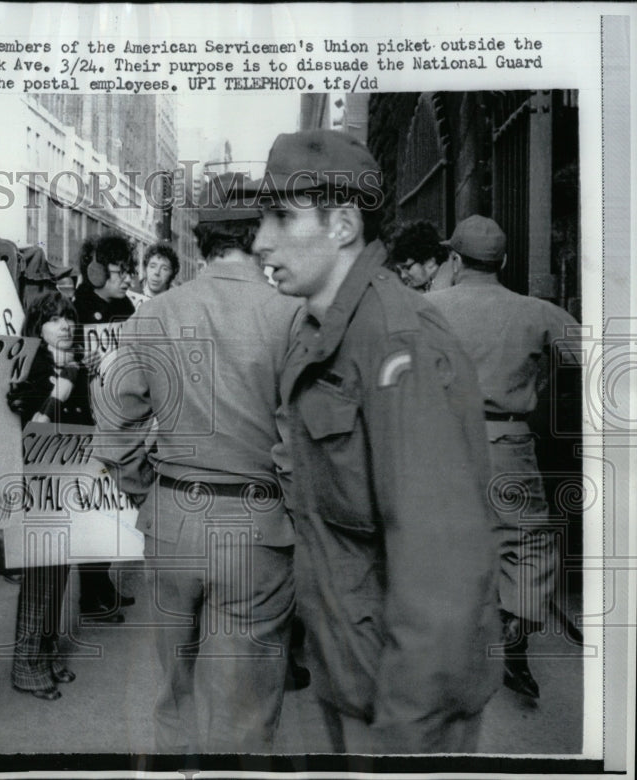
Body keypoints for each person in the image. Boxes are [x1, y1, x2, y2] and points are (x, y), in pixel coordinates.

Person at [250, 130, 501, 753]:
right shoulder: (327, 331)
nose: (260, 241)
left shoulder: (398, 343)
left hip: (402, 705)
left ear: (341, 225)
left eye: (282, 217)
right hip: (356, 670)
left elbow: (443, 567)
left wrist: (405, 738)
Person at [94, 172, 305, 753]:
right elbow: (302, 440)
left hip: (173, 519)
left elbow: (113, 429)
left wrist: (148, 492)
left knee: (172, 692)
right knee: (246, 708)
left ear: (198, 240)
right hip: (260, 528)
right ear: (260, 233)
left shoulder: (153, 315)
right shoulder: (292, 317)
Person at [425, 215, 581, 700]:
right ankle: (513, 636)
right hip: (509, 448)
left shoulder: (423, 309)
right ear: (505, 262)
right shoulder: (538, 313)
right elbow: (595, 358)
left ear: (453, 260)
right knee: (528, 544)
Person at [6, 292, 94, 700]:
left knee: (58, 574)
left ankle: (46, 651)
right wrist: (65, 385)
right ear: (37, 326)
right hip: (37, 481)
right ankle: (26, 664)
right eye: (54, 318)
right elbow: (30, 423)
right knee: (41, 573)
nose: (64, 324)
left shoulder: (77, 366)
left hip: (70, 478)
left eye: (68, 317)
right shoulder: (28, 365)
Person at [71, 233, 138, 621]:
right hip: (87, 426)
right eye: (120, 271)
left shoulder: (129, 307)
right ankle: (92, 595)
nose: (128, 278)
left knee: (113, 507)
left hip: (121, 423)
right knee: (93, 509)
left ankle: (102, 584)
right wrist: (82, 360)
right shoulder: (75, 309)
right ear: (96, 272)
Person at [384, 219, 450, 292]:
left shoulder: (446, 288)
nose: (403, 276)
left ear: (430, 262)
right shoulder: (427, 284)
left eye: (407, 268)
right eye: (399, 270)